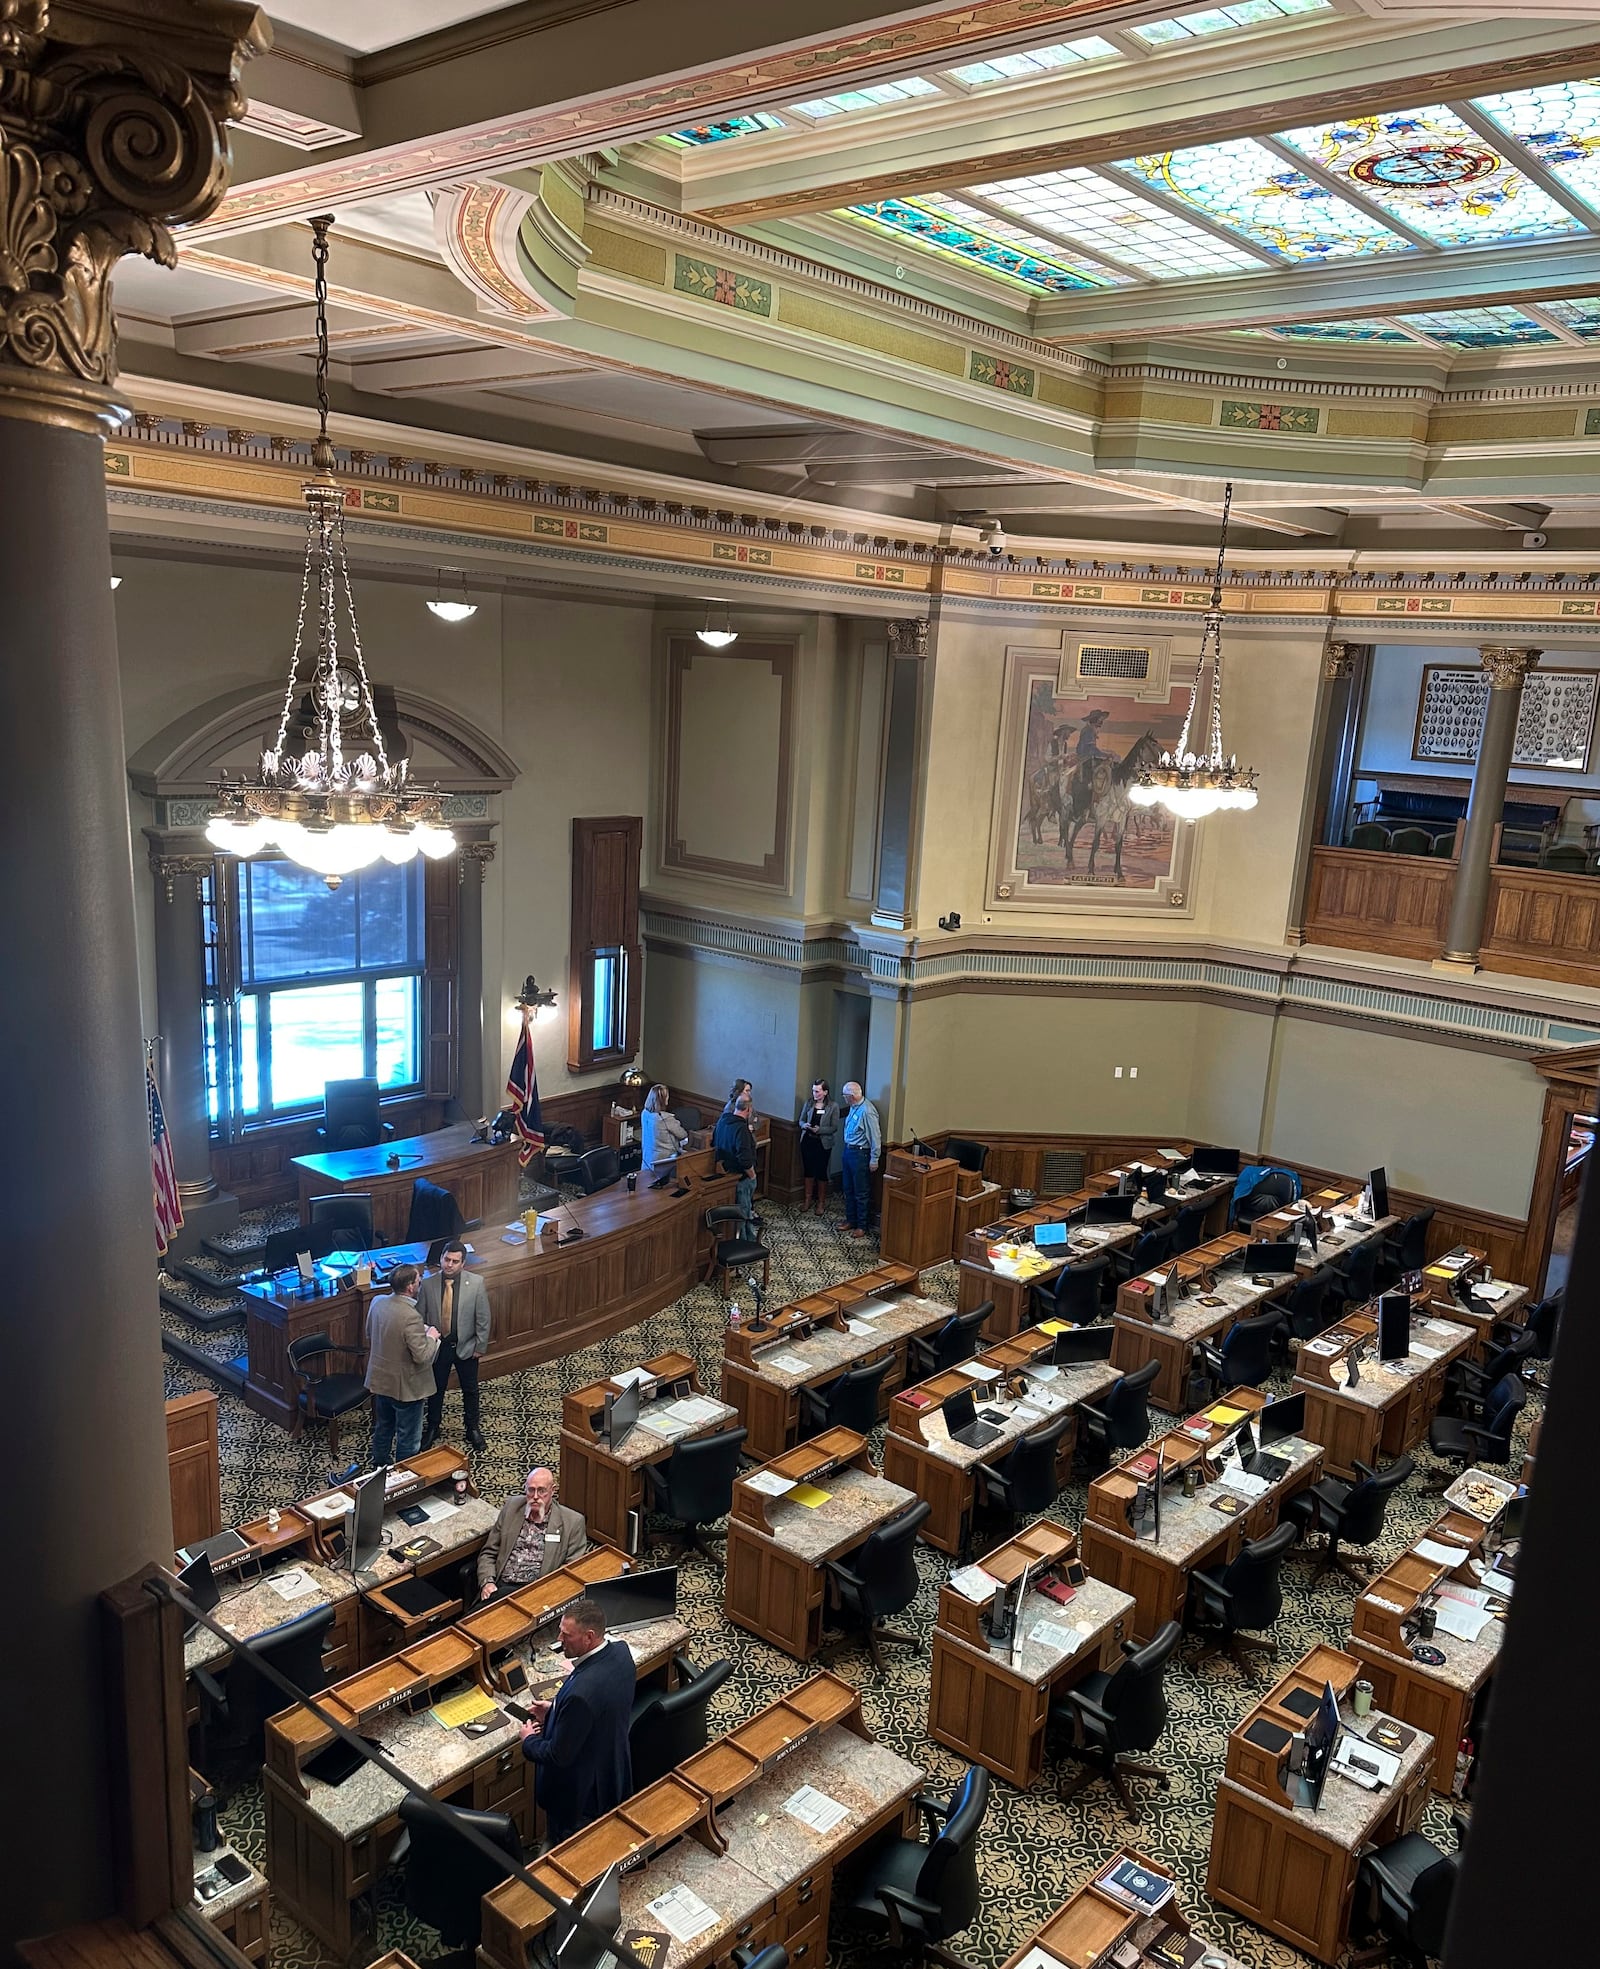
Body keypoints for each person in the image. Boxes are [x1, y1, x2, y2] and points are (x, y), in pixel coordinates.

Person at [518, 1598, 634, 1845]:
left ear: (589, 1637)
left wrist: (529, 1741)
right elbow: (601, 1710)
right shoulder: (621, 1653)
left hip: (580, 1798)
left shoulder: (581, 1693)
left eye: (567, 1635)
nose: (559, 1639)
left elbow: (558, 1755)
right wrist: (556, 1710)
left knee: (570, 1853)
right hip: (613, 1770)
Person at [418, 1241, 491, 1454]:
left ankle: (472, 1428)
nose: (449, 1265)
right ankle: (433, 1427)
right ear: (441, 1258)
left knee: (470, 1389)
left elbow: (483, 1317)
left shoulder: (476, 1283)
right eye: (446, 1259)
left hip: (466, 1346)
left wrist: (481, 1345)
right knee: (435, 1390)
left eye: (454, 1261)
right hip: (438, 1347)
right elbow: (420, 1317)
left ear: (463, 1263)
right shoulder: (428, 1284)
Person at [364, 1264, 439, 1467]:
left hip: (381, 1380)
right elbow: (422, 1355)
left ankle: (379, 1466)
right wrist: (431, 1336)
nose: (420, 1284)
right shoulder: (411, 1316)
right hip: (406, 1387)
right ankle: (404, 1478)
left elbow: (370, 1333)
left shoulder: (377, 1302)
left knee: (384, 1427)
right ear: (410, 1287)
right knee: (408, 1437)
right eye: (418, 1281)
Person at [477, 1468, 589, 1599]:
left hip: (537, 1593)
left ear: (553, 1490)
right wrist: (487, 1582)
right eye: (531, 1490)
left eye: (541, 1491)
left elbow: (572, 1571)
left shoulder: (573, 1522)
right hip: (500, 1587)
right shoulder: (512, 1507)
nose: (535, 1496)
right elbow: (489, 1552)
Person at [840, 1081, 881, 1240]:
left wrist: (874, 1158)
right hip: (849, 1150)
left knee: (860, 1191)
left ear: (851, 1097)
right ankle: (851, 1219)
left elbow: (875, 1137)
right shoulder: (854, 1107)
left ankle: (861, 1225)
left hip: (860, 1154)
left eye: (845, 1096)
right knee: (848, 1188)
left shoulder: (867, 1111)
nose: (844, 1099)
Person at [712, 1090, 758, 1231]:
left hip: (725, 1175)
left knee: (735, 1220)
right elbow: (744, 1158)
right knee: (744, 1217)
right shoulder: (741, 1129)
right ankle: (746, 1244)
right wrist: (752, 1175)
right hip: (741, 1178)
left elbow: (714, 1142)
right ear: (749, 1109)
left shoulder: (723, 1120)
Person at [797, 1078, 839, 1215]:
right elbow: (801, 1120)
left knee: (821, 1172)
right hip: (808, 1141)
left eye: (817, 1091)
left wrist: (820, 1130)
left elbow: (834, 1127)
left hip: (823, 1143)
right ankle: (807, 1200)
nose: (814, 1094)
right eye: (813, 1091)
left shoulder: (833, 1106)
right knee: (808, 1170)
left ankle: (821, 1202)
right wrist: (805, 1126)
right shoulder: (809, 1103)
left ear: (825, 1092)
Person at [640, 1083, 688, 1176]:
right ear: (664, 1099)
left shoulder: (645, 1113)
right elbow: (682, 1134)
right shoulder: (665, 1119)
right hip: (663, 1162)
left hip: (647, 1159)